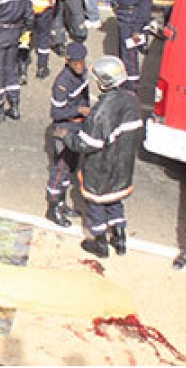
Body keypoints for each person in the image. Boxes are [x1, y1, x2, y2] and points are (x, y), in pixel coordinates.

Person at [54, 55, 141, 258]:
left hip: (101, 168)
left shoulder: (100, 113)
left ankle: (100, 244)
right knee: (115, 201)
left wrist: (66, 136)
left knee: (96, 205)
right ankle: (120, 239)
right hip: (123, 166)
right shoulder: (132, 100)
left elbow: (85, 144)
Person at [45, 42, 91, 227]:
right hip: (65, 130)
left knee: (71, 169)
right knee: (60, 170)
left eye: (81, 61)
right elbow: (56, 113)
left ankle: (63, 204)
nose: (79, 66)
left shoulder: (82, 74)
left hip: (78, 129)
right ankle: (53, 208)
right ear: (67, 61)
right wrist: (79, 110)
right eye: (75, 63)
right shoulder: (62, 83)